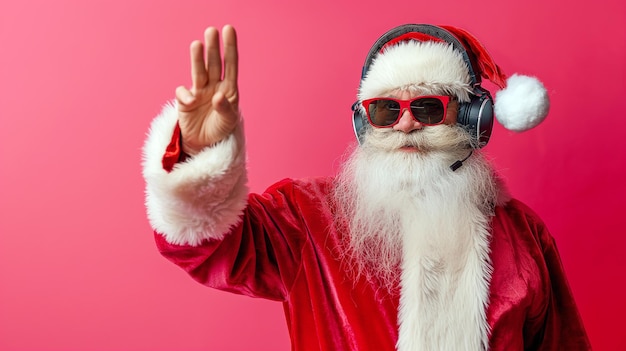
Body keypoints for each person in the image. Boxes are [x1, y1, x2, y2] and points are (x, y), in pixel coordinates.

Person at [142, 24, 591, 350]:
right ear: (363, 122)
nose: (408, 123)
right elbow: (206, 247)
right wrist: (200, 154)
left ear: (474, 117)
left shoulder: (523, 233)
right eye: (384, 111)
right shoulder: (305, 215)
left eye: (430, 107)